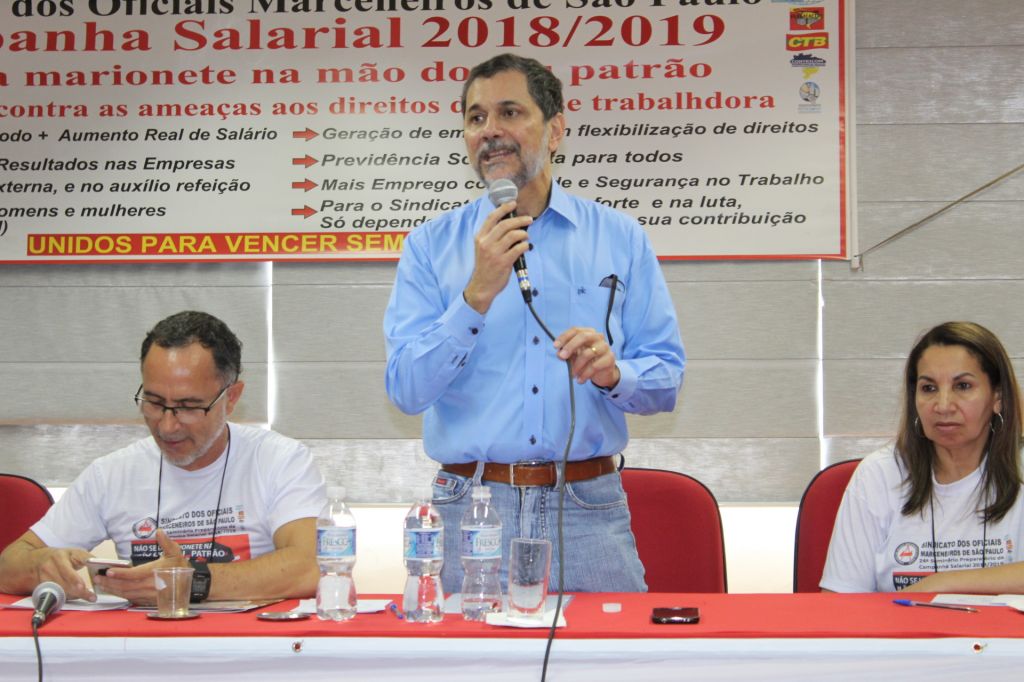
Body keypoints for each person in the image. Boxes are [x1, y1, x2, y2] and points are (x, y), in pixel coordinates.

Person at [383, 53, 685, 594]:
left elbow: (666, 380)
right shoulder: (430, 246)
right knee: (460, 649)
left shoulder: (619, 238)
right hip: (472, 506)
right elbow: (406, 389)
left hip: (586, 507)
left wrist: (615, 374)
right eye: (476, 118)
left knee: (613, 646)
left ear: (556, 129)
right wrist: (475, 295)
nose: (490, 131)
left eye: (510, 112)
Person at [0, 311, 326, 604]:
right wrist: (41, 564)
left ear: (231, 398)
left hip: (248, 646)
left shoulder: (280, 461)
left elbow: (312, 566)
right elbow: (7, 566)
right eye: (154, 403)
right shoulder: (111, 473)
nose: (167, 426)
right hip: (139, 646)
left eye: (188, 406)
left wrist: (190, 581)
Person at [821, 321, 1024, 593]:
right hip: (897, 623)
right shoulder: (879, 475)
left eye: (963, 386)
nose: (943, 406)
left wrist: (940, 583)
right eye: (929, 388)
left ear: (997, 397)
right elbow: (839, 602)